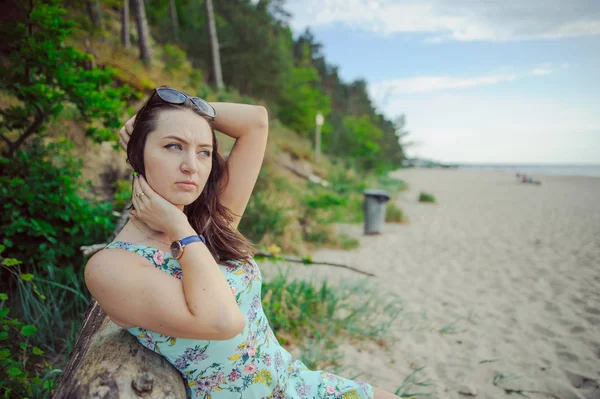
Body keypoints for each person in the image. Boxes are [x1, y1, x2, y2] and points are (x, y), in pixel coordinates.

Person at [84, 87, 401, 399]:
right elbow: (224, 321)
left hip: (296, 383)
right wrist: (177, 225)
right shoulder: (113, 266)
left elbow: (256, 122)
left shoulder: (209, 224)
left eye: (204, 151)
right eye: (172, 146)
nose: (191, 166)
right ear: (137, 154)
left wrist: (186, 109)